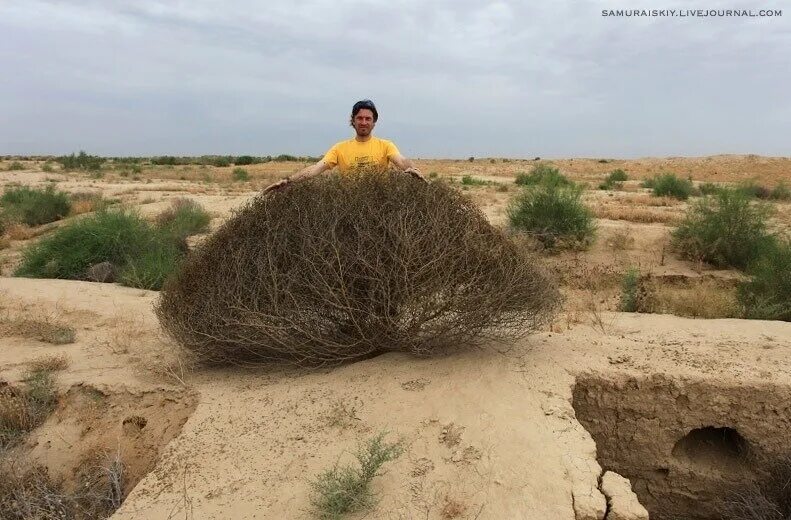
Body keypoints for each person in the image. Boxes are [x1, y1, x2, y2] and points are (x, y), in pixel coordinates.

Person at [264, 99, 423, 192]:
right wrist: (288, 181)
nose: (363, 122)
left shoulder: (385, 145)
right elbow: (316, 168)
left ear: (374, 122)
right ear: (353, 120)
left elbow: (401, 161)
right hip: (349, 208)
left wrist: (413, 169)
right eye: (359, 118)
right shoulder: (340, 148)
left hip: (380, 206)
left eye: (368, 119)